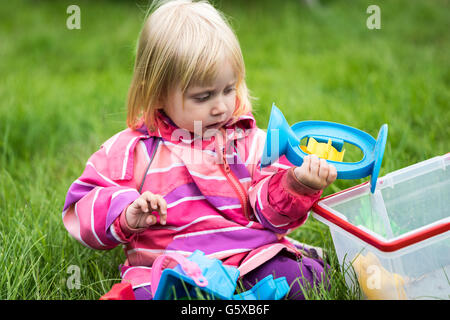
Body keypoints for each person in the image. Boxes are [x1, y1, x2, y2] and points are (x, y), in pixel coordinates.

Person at [62, 0, 337, 300]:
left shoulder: (248, 141)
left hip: (248, 255)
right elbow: (82, 207)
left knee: (303, 284)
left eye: (228, 89)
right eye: (203, 96)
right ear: (156, 93)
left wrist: (296, 184)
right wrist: (126, 214)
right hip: (171, 269)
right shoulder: (133, 151)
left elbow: (270, 215)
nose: (220, 107)